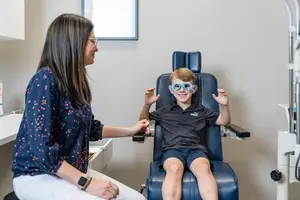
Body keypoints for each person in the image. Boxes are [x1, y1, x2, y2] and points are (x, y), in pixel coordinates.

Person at [11, 13, 149, 200]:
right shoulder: (44, 80)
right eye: (92, 41)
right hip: (38, 176)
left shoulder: (76, 83)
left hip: (70, 173)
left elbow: (92, 129)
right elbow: (42, 150)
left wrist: (131, 130)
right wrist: (87, 183)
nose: (96, 48)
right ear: (73, 42)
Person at [139, 68, 231, 200]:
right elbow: (143, 120)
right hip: (172, 150)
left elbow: (224, 121)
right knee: (174, 169)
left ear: (193, 89)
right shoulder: (164, 111)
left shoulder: (201, 110)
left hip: (196, 150)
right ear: (171, 90)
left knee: (203, 168)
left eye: (186, 86)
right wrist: (146, 105)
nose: (182, 90)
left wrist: (225, 106)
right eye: (177, 86)